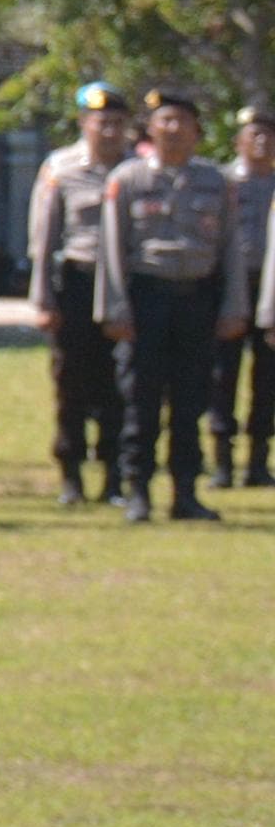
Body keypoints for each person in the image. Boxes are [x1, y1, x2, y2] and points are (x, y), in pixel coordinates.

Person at [96, 84, 254, 525]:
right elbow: (111, 250)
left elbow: (231, 250)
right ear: (150, 129)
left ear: (197, 131)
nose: (173, 128)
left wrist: (234, 307)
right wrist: (113, 308)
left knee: (191, 400)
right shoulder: (128, 180)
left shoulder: (215, 182)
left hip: (197, 301)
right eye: (165, 120)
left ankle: (185, 493)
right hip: (146, 299)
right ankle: (138, 491)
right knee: (140, 400)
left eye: (182, 121)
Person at [27, 81, 139, 506]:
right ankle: (71, 474)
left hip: (126, 288)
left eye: (117, 123)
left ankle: (113, 476)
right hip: (77, 283)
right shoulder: (61, 168)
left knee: (121, 384)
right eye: (101, 122)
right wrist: (43, 300)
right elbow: (43, 240)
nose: (109, 131)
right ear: (83, 123)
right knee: (71, 384)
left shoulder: (137, 169)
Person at [221, 102, 275, 487]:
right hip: (228, 287)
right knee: (222, 375)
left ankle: (258, 461)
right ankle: (222, 461)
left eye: (269, 134)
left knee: (268, 378)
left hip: (270, 288)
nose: (262, 141)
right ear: (238, 141)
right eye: (254, 134)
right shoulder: (220, 182)